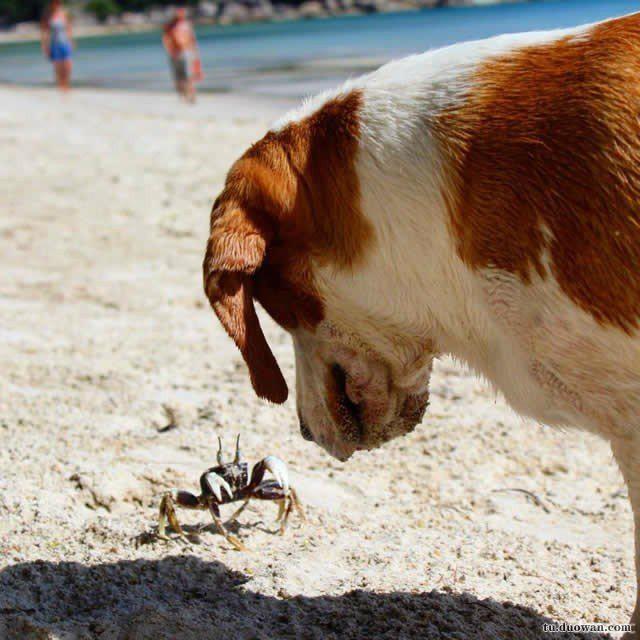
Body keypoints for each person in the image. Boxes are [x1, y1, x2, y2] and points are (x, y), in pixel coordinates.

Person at [162, 6, 203, 103]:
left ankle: (190, 95)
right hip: (176, 54)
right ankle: (184, 95)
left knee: (187, 75)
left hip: (185, 52)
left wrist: (195, 53)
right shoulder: (170, 27)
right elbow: (166, 39)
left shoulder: (185, 25)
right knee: (179, 76)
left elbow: (192, 39)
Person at [40, 0, 73, 91]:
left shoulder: (64, 13)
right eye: (55, 2)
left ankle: (66, 85)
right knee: (58, 67)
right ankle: (61, 86)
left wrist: (71, 41)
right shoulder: (47, 15)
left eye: (58, 2)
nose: (57, 4)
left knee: (68, 65)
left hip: (65, 42)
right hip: (54, 44)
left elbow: (68, 28)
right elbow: (45, 32)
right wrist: (45, 46)